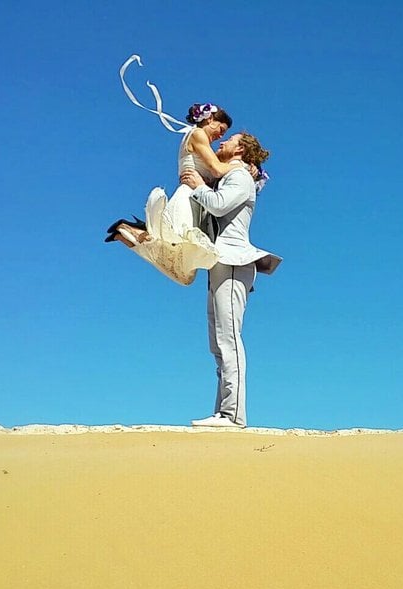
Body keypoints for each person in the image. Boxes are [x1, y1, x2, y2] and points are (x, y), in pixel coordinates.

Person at [104, 55, 250, 285]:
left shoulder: (200, 139)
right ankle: (130, 230)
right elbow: (217, 169)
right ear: (209, 118)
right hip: (187, 198)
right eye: (221, 129)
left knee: (184, 273)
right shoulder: (198, 134)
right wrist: (242, 166)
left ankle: (127, 233)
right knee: (183, 263)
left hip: (196, 200)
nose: (220, 135)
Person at [181, 133, 281, 428]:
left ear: (240, 149)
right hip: (218, 263)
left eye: (229, 141)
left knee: (229, 339)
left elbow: (221, 205)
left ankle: (232, 415)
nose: (220, 143)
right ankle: (222, 412)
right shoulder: (230, 176)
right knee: (218, 342)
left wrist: (198, 187)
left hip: (234, 260)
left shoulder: (240, 176)